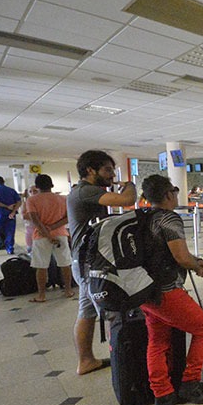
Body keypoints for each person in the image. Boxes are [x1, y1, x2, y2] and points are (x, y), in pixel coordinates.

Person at [139, 175, 203, 405]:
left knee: (157, 341)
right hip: (166, 291)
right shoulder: (168, 218)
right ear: (168, 194)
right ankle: (190, 383)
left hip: (144, 292)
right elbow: (181, 257)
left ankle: (162, 393)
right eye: (174, 191)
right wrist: (198, 264)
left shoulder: (143, 217)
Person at [67, 150, 136, 375]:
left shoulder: (80, 192)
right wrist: (129, 184)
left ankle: (86, 361)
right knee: (110, 311)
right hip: (88, 264)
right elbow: (128, 200)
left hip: (84, 261)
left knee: (86, 312)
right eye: (107, 170)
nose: (111, 175)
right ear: (90, 170)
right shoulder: (86, 191)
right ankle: (123, 363)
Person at [26, 174, 74, 302]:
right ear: (52, 185)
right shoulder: (63, 199)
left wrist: (47, 233)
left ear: (37, 187)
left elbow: (34, 220)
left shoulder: (32, 200)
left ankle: (42, 295)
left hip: (40, 236)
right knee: (65, 263)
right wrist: (53, 228)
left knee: (41, 266)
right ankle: (68, 290)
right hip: (61, 234)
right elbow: (68, 217)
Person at [21, 184, 39, 254]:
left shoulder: (42, 202)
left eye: (35, 191)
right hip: (30, 231)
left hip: (41, 231)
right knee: (30, 250)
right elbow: (24, 216)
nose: (33, 193)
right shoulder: (26, 203)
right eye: (30, 191)